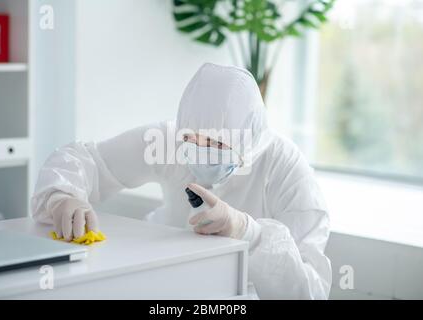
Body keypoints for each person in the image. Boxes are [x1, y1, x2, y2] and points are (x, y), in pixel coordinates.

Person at [31, 63, 332, 299]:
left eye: (216, 144)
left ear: (247, 139)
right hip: (165, 286)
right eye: (191, 140)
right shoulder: (166, 141)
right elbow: (91, 160)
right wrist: (62, 195)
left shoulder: (286, 169)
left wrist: (247, 232)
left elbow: (309, 292)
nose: (201, 153)